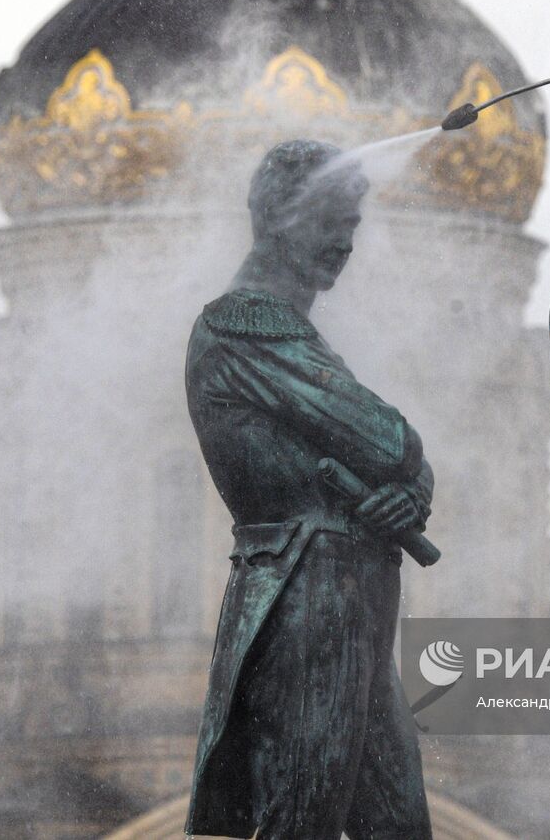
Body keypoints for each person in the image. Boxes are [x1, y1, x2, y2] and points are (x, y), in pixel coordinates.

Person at [184, 140, 434, 840]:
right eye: (334, 219)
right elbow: (387, 440)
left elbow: (400, 462)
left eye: (353, 224)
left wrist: (407, 496)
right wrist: (403, 471)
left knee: (397, 823)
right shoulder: (248, 326)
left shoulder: (294, 333)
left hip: (348, 597)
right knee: (303, 815)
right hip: (305, 594)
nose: (346, 241)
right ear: (282, 216)